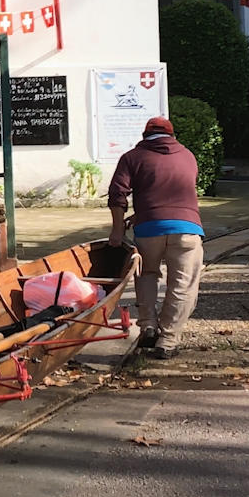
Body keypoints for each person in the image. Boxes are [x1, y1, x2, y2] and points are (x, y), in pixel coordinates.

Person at [106, 116, 204, 360]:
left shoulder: (132, 157)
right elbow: (176, 190)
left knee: (147, 273)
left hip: (149, 229)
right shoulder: (188, 156)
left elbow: (118, 194)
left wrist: (118, 230)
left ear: (144, 135)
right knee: (182, 285)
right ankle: (168, 340)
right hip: (187, 228)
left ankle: (148, 325)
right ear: (172, 136)